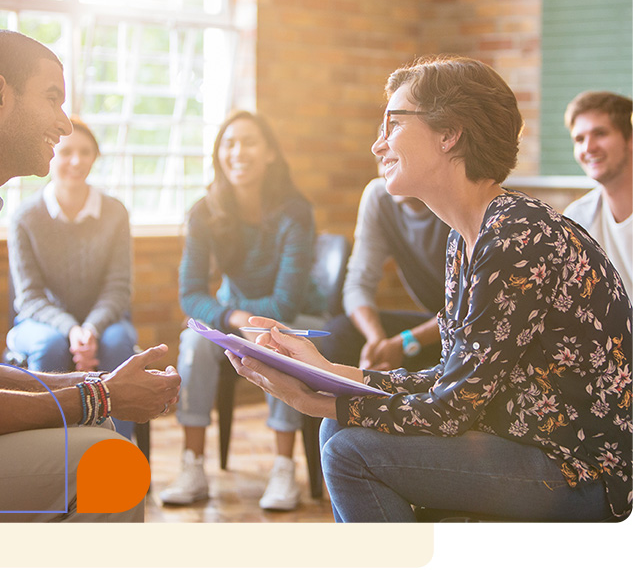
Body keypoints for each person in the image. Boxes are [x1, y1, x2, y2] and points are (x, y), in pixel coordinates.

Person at [225, 55, 632, 523]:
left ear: (448, 133)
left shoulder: (518, 236)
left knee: (349, 451)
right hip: (526, 440)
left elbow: (452, 409)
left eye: (393, 125)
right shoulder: (467, 238)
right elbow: (452, 380)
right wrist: (332, 375)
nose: (378, 144)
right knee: (336, 432)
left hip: (581, 469)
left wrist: (314, 398)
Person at [0, 29, 180, 522]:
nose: (64, 126)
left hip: (93, 325)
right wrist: (99, 394)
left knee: (102, 433)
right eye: (52, 98)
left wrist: (95, 383)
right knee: (113, 463)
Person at [159, 110, 325, 511]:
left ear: (269, 153)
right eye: (229, 144)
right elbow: (191, 294)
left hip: (297, 320)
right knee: (193, 343)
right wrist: (233, 319)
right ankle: (193, 464)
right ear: (219, 154)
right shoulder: (205, 211)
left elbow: (284, 304)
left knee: (273, 340)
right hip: (235, 317)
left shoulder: (295, 213)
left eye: (249, 142)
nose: (238, 152)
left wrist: (233, 316)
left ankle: (284, 466)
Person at [6, 117, 138, 440]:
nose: (76, 161)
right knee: (50, 347)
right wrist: (71, 329)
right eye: (66, 152)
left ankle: (116, 455)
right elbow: (30, 297)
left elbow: (118, 288)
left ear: (95, 157)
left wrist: (90, 328)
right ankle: (49, 453)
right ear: (51, 154)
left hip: (103, 321)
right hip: (40, 323)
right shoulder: (24, 217)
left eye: (85, 152)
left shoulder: (115, 212)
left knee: (118, 342)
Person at [321, 173, 448, 372]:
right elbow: (358, 284)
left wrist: (404, 341)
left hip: (476, 326)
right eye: (380, 158)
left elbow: (472, 308)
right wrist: (376, 338)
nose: (384, 160)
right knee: (338, 334)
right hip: (438, 322)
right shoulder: (380, 195)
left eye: (394, 153)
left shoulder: (459, 197)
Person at [563, 91, 632, 299]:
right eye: (579, 139)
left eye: (600, 134)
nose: (588, 148)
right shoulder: (577, 218)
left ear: (630, 139)